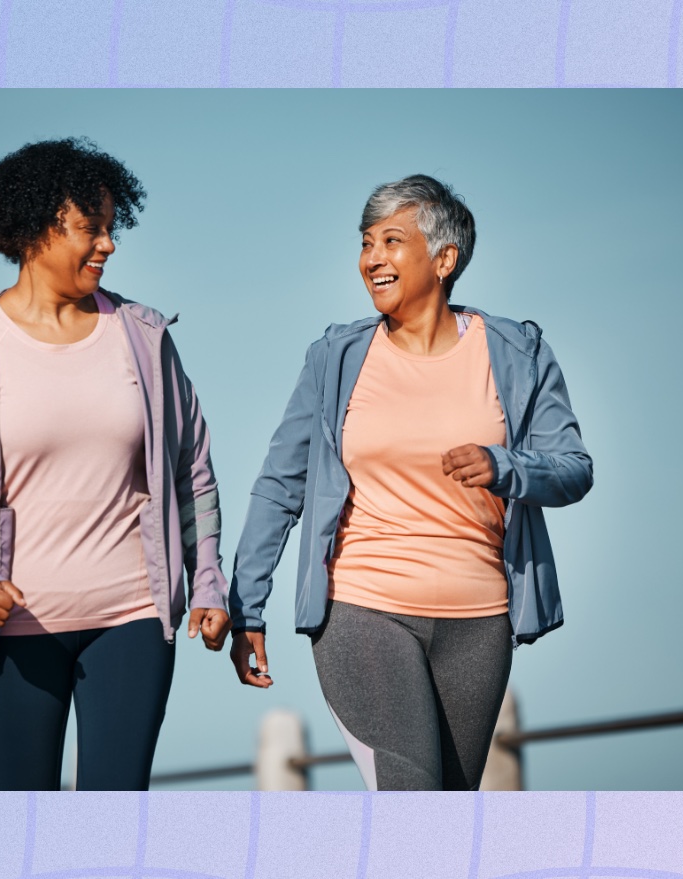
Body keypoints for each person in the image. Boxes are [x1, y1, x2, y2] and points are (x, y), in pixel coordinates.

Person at [228, 174, 592, 791]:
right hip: (363, 608)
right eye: (366, 244)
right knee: (411, 795)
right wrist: (247, 606)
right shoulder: (336, 359)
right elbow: (279, 486)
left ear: (444, 259)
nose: (372, 259)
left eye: (391, 241)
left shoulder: (516, 354)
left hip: (480, 621)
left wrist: (506, 466)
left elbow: (572, 469)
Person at [0, 138, 230, 791]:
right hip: (13, 631)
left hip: (132, 617)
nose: (108, 244)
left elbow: (193, 468)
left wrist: (209, 580)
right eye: (91, 227)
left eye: (112, 227)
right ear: (35, 230)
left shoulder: (144, 336)